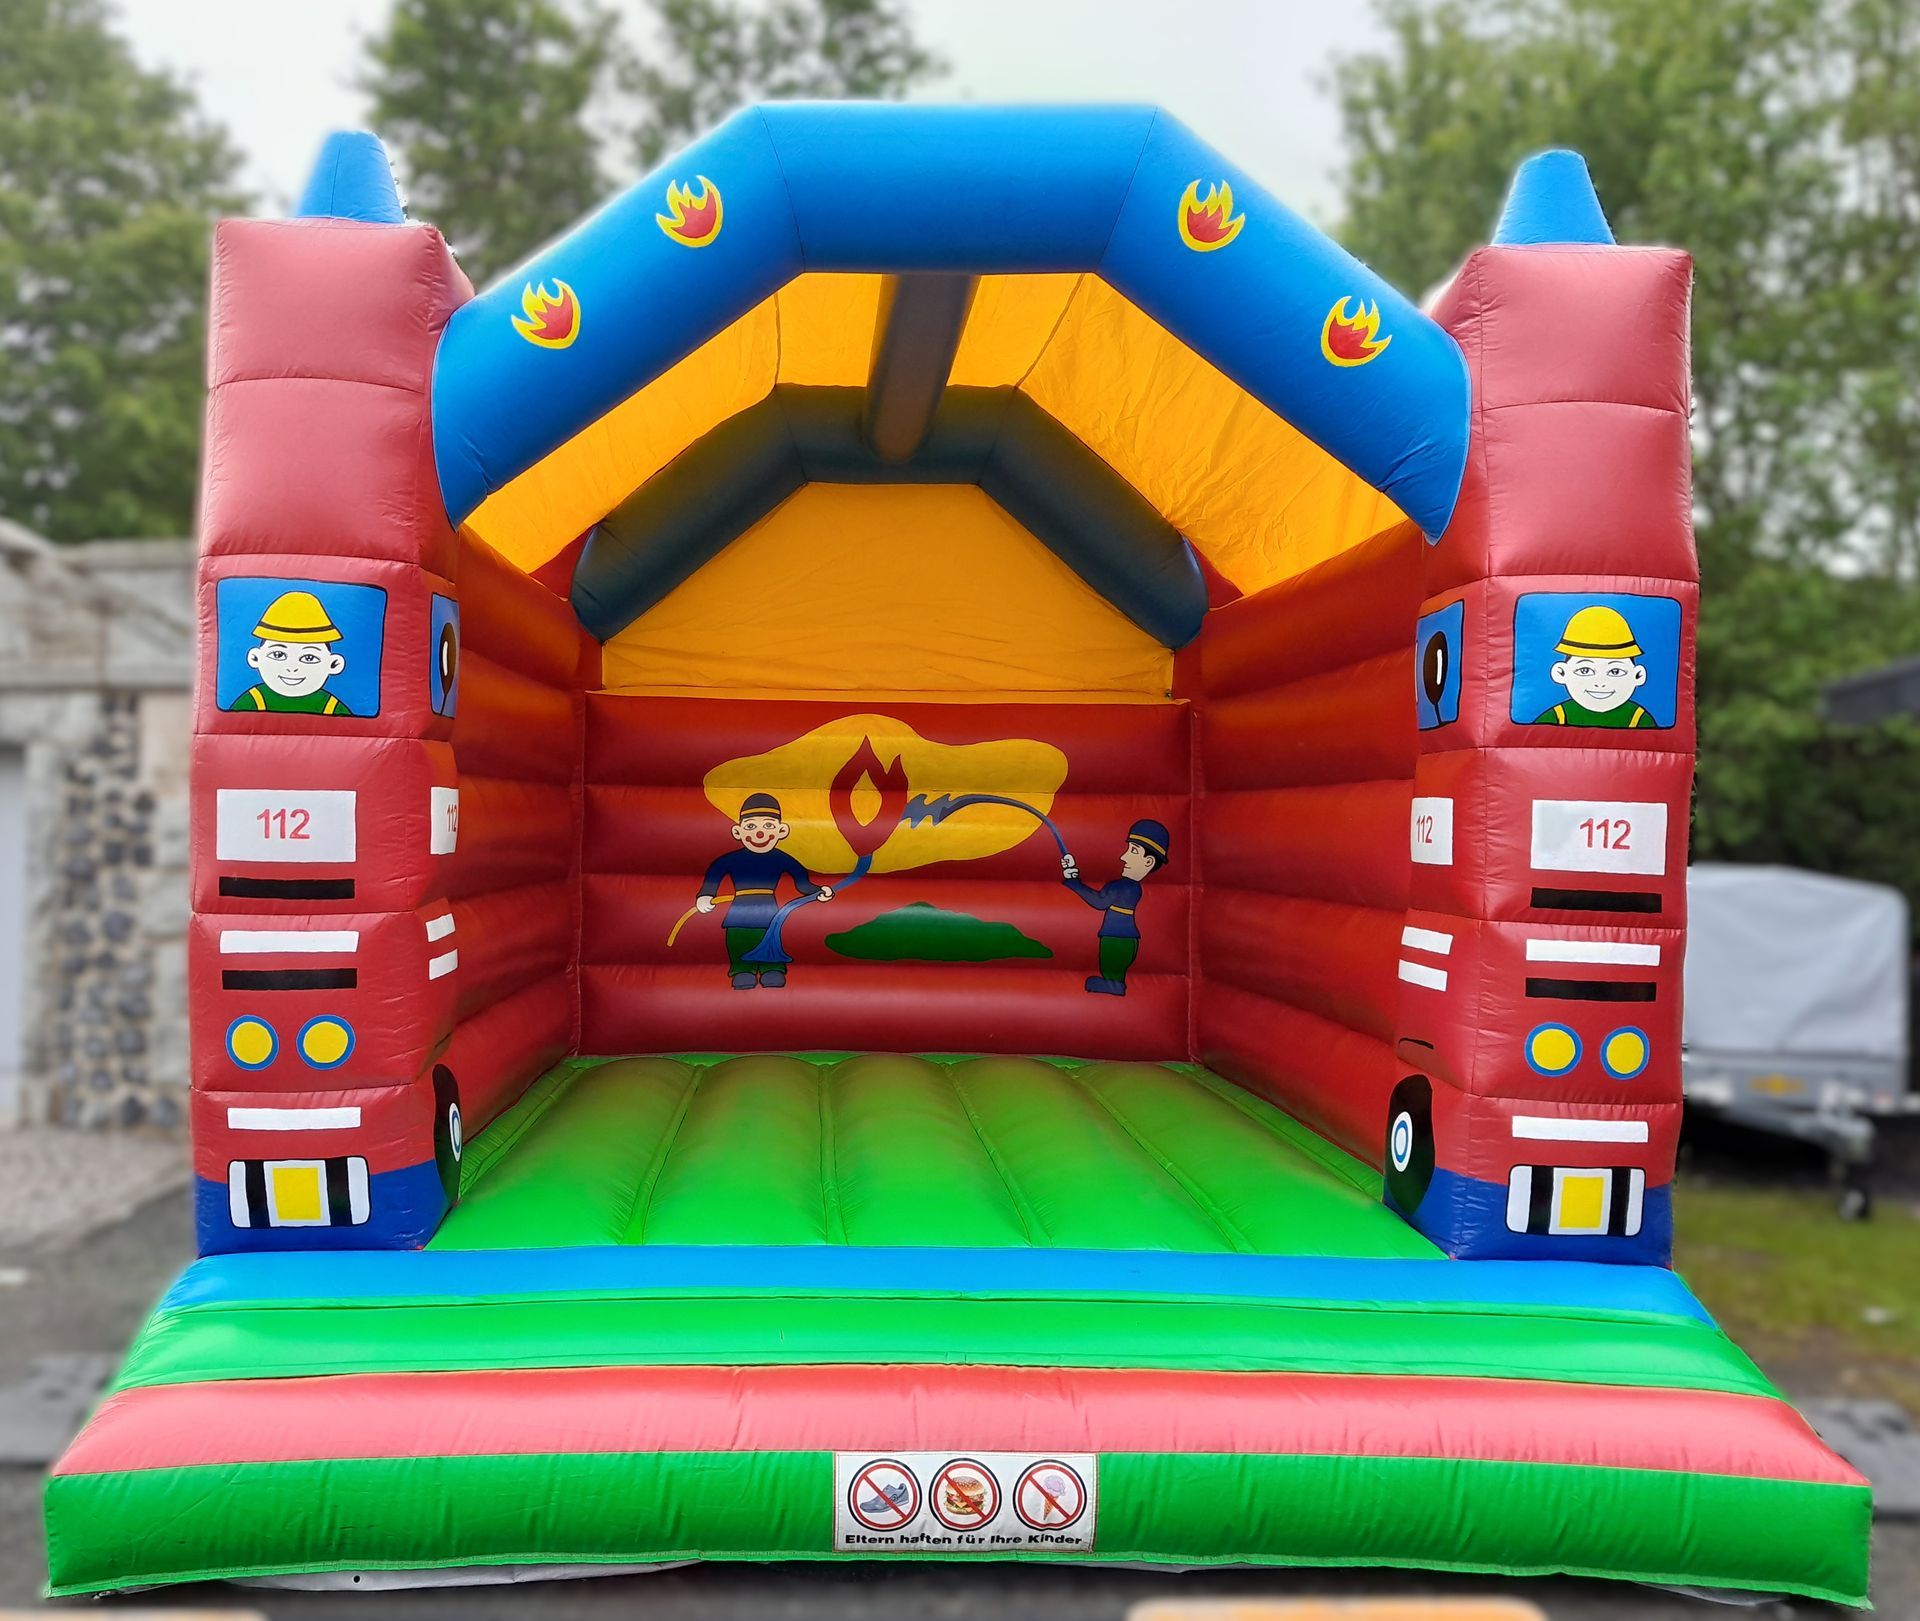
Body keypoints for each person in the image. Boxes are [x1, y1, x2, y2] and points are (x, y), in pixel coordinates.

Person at [694, 792, 832, 988]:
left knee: (771, 937)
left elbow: (801, 882)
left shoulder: (781, 858)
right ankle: (742, 971)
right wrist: (705, 895)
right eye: (751, 827)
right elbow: (715, 873)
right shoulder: (731, 860)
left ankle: (772, 969)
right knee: (739, 938)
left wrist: (818, 892)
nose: (760, 834)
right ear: (738, 832)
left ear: (782, 831)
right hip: (740, 910)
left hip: (768, 910)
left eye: (768, 826)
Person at [1060, 818, 1168, 996]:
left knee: (1111, 965)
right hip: (1125, 939)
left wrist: (1075, 884)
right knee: (1112, 965)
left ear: (1148, 862)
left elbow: (1099, 902)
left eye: (1133, 851)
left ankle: (1114, 985)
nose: (1123, 857)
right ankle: (1113, 982)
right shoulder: (1131, 888)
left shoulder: (1123, 887)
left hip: (1117, 938)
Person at [1532, 604, 1662, 728]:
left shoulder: (1638, 719)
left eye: (1615, 671)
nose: (1600, 683)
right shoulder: (1557, 717)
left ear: (1638, 676)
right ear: (1561, 673)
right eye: (1585, 670)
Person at [228, 590, 354, 714]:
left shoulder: (331, 707)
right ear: (255, 658)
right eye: (278, 655)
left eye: (309, 657)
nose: (292, 667)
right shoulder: (254, 700)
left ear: (334, 664)